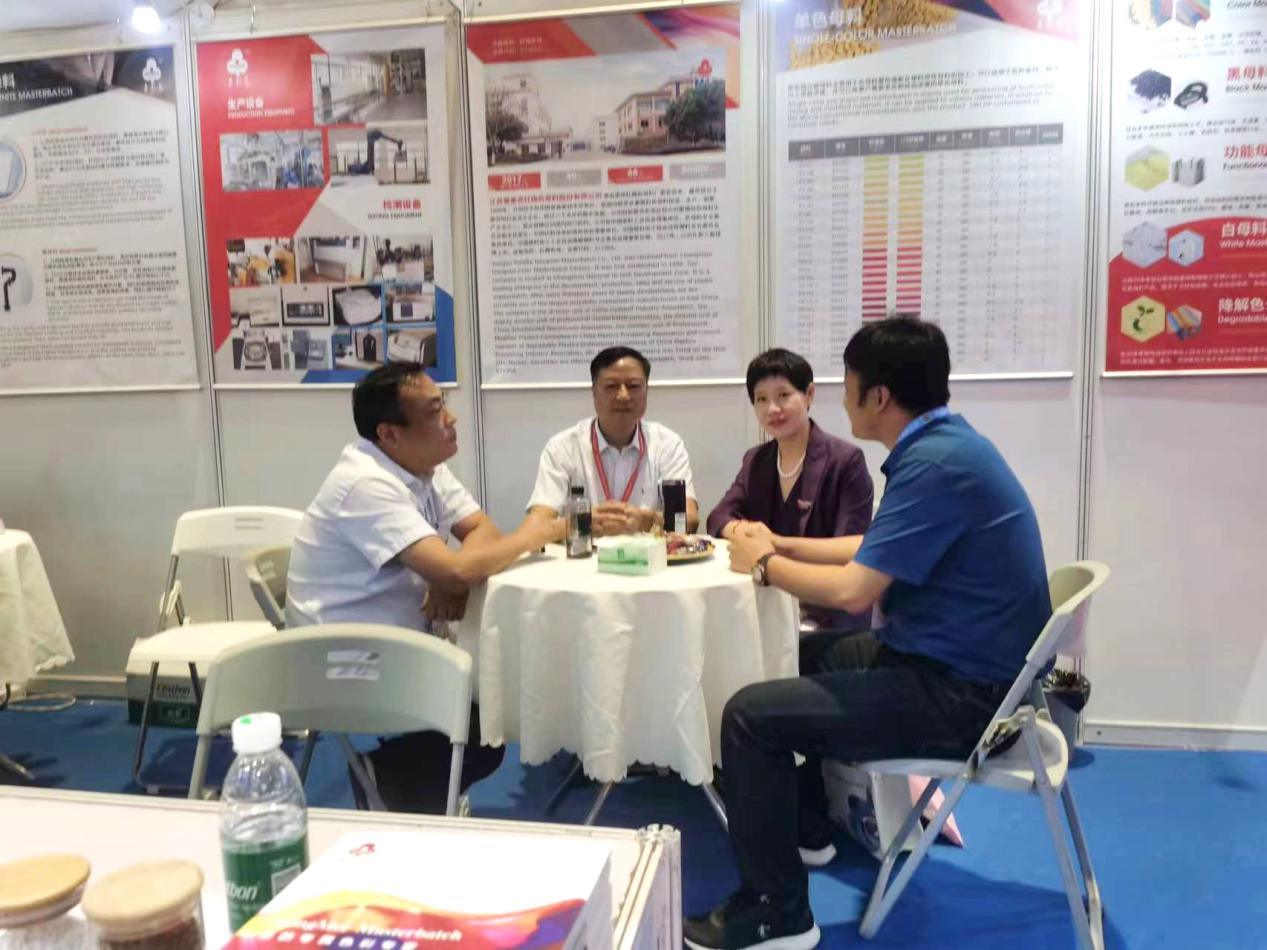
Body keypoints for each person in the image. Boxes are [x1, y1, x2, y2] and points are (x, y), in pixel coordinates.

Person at [683, 317, 1052, 950]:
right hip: (955, 664)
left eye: (848, 383)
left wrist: (764, 564)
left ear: (877, 395)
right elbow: (870, 546)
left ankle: (777, 911)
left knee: (747, 716)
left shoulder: (933, 464)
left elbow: (856, 589)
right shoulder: (944, 448)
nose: (843, 396)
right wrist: (781, 542)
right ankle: (801, 824)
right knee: (789, 656)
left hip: (962, 696)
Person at [286, 362, 559, 813]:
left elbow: (481, 531)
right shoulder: (365, 483)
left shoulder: (422, 466)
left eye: (443, 405)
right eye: (434, 412)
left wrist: (451, 576)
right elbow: (459, 566)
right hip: (343, 662)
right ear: (390, 434)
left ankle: (397, 785)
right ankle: (389, 783)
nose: (451, 419)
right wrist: (532, 535)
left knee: (491, 710)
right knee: (482, 721)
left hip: (397, 643)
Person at [707, 348, 874, 634]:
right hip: (766, 608)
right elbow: (719, 516)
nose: (772, 408)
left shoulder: (845, 461)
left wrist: (773, 544)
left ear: (809, 395)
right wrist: (745, 531)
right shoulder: (756, 460)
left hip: (826, 616)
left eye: (783, 395)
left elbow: (848, 550)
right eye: (761, 399)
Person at [526, 346, 699, 537]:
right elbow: (536, 527)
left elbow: (690, 520)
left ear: (646, 391)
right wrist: (583, 522)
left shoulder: (667, 444)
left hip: (647, 554)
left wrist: (647, 521)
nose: (623, 396)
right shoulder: (562, 448)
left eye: (634, 386)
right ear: (594, 392)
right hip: (584, 554)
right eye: (611, 386)